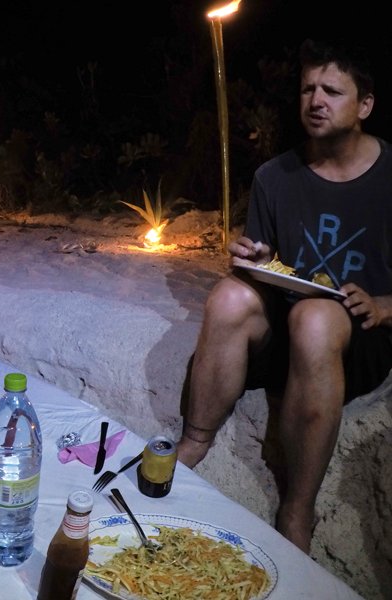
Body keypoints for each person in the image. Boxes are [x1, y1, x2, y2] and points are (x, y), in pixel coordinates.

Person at [177, 38, 392, 553]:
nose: (316, 100)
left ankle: (297, 508)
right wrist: (254, 260)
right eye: (307, 89)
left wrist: (386, 306)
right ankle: (193, 442)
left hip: (353, 339)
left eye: (332, 91)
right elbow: (266, 270)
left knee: (317, 318)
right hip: (285, 334)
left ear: (364, 104)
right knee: (229, 297)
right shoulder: (275, 177)